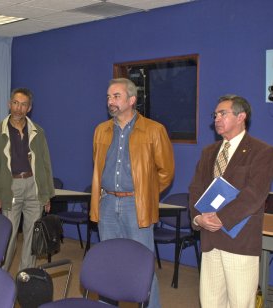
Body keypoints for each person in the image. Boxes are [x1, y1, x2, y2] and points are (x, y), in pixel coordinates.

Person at [90, 78, 175, 308]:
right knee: (109, 263)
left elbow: (166, 171)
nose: (110, 101)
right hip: (107, 204)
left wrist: (145, 194)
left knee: (142, 265)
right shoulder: (101, 131)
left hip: (136, 206)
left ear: (132, 100)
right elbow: (99, 167)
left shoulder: (154, 130)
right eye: (108, 97)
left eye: (116, 96)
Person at [189, 95, 273, 307]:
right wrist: (198, 218)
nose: (216, 118)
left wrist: (220, 218)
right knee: (210, 302)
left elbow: (255, 194)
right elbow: (195, 189)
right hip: (210, 239)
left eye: (222, 113)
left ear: (241, 117)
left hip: (240, 241)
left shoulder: (262, 151)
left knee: (239, 303)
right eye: (215, 114)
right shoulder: (209, 152)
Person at [0, 88, 55, 271]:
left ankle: (26, 276)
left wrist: (46, 194)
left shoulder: (38, 131)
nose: (18, 108)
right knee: (9, 236)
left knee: (32, 236)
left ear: (29, 108)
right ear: (9, 104)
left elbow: (45, 165)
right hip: (10, 187)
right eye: (15, 103)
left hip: (33, 186)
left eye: (23, 104)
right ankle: (0, 277)